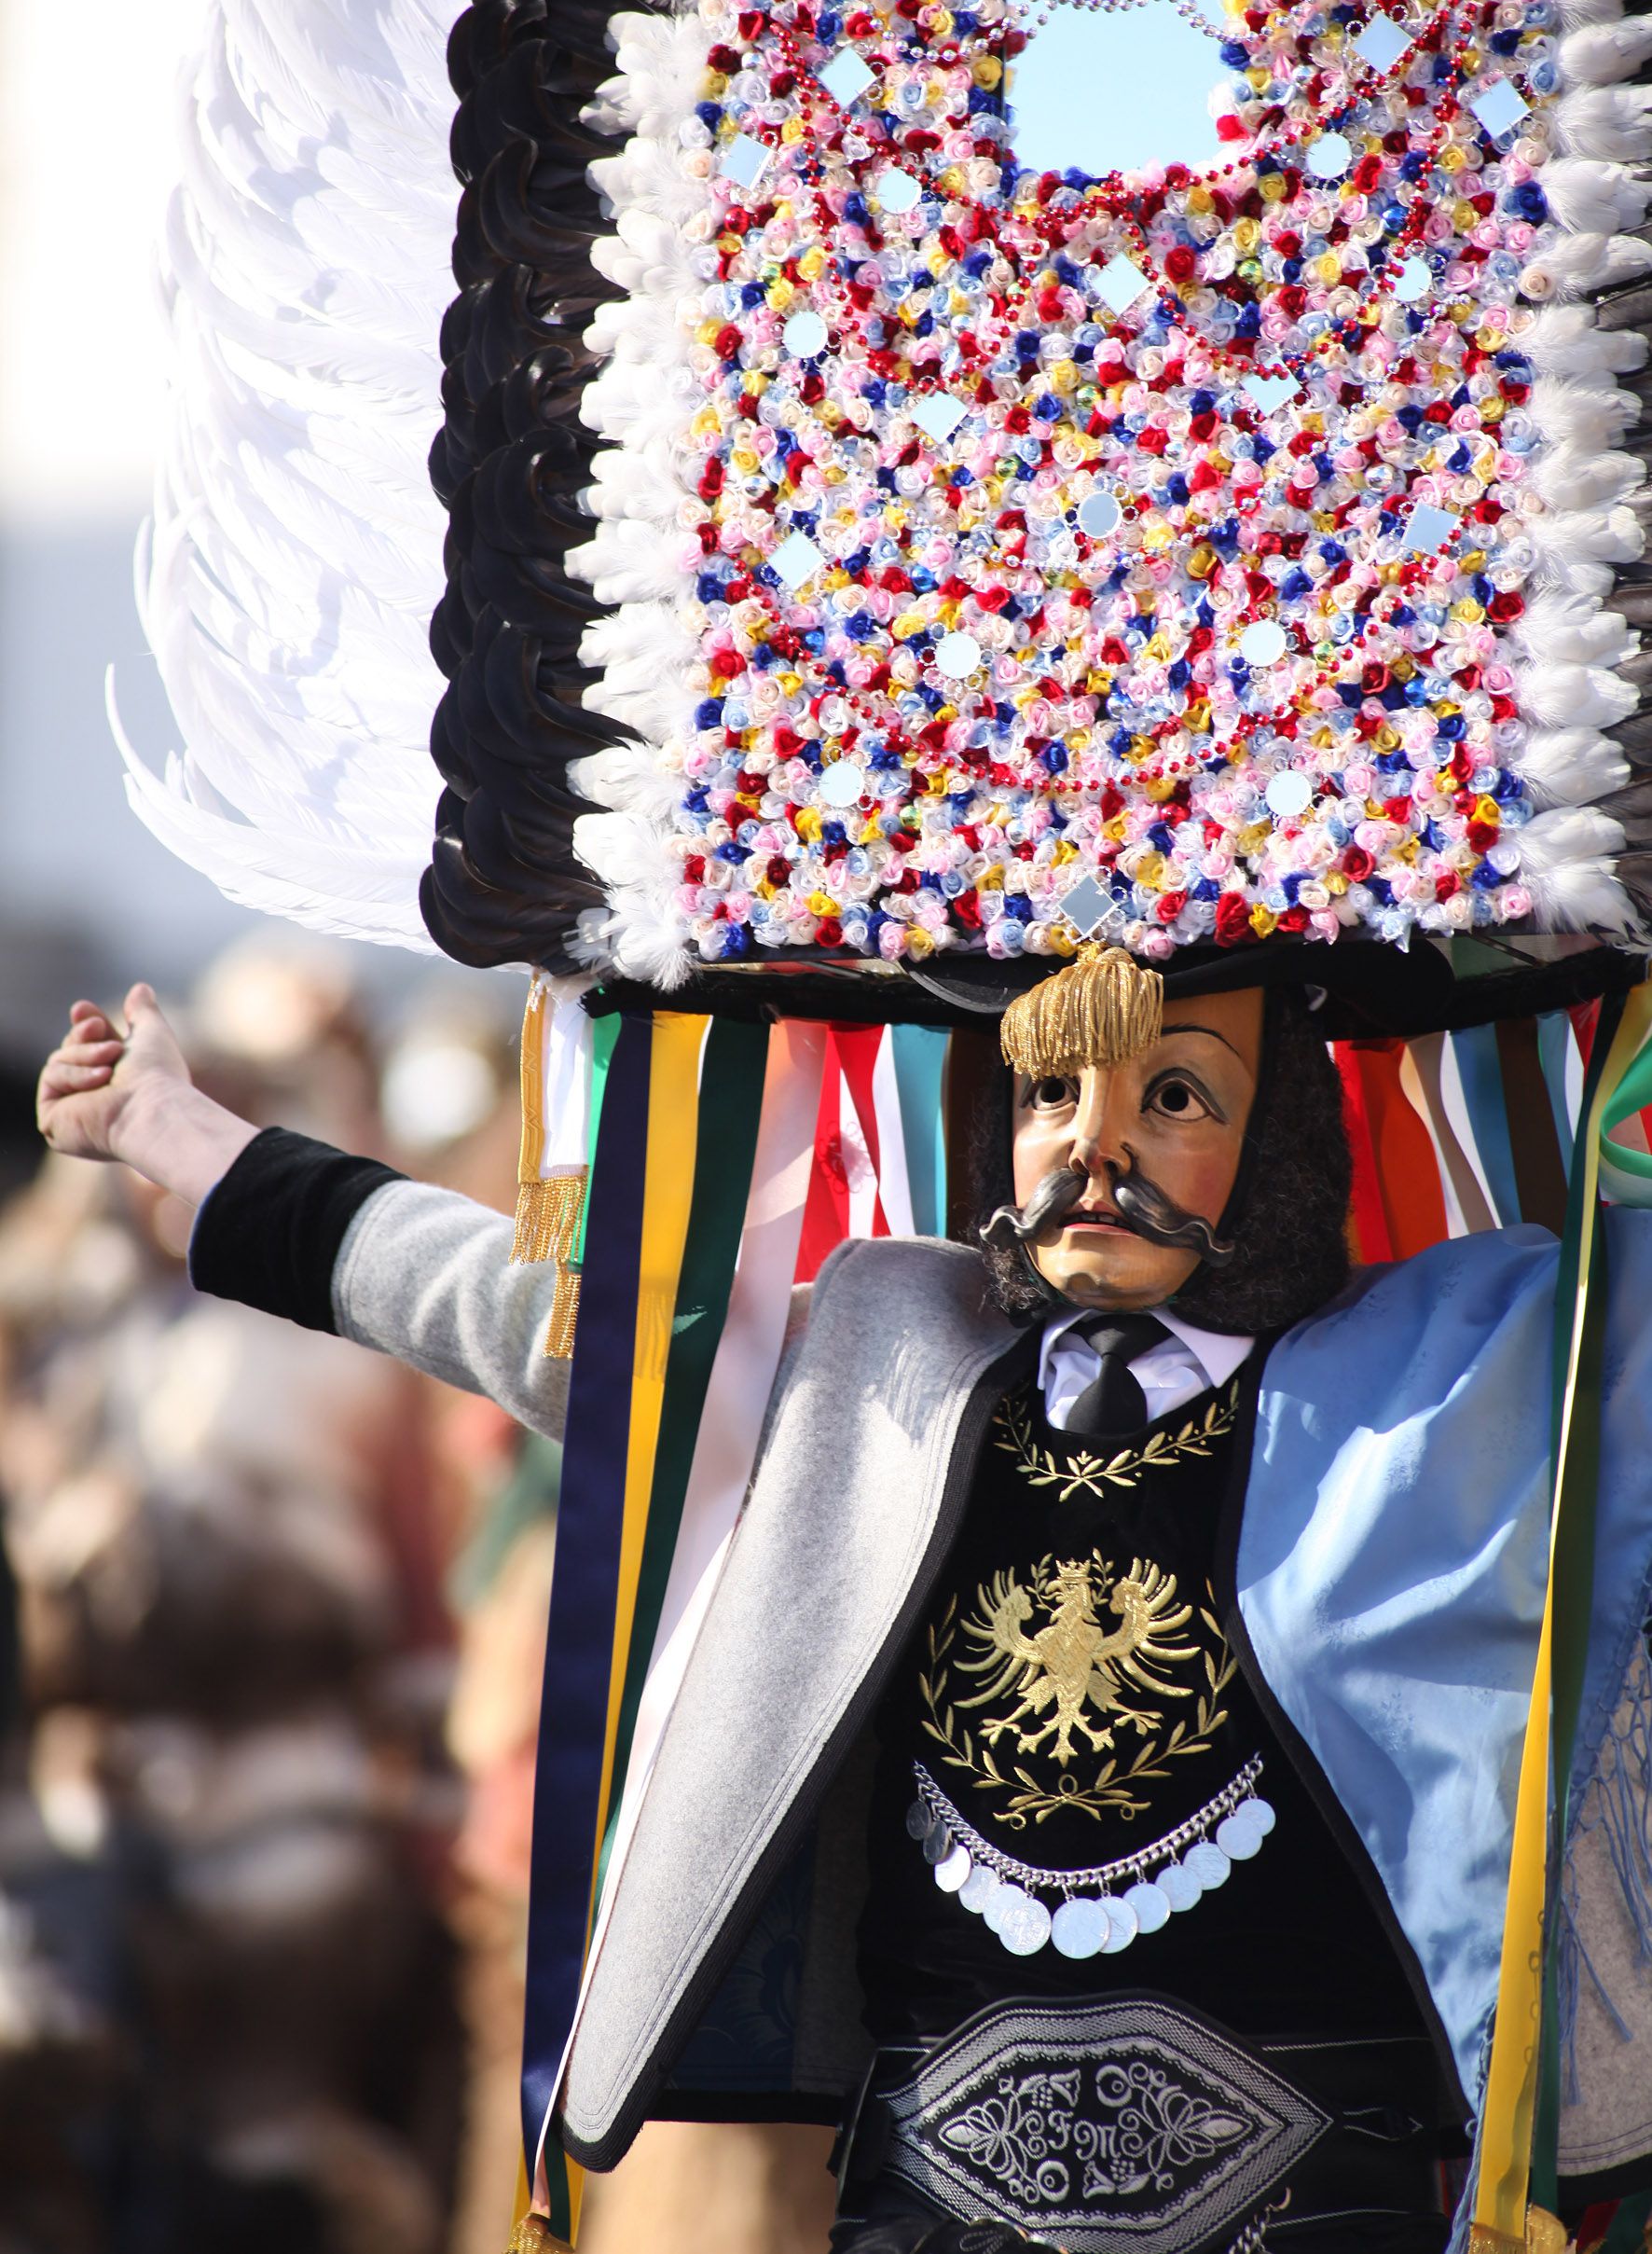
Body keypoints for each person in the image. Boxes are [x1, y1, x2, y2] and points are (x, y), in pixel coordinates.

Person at [34, 955, 1652, 2253]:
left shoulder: (1466, 1366)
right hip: (926, 2200)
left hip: (1327, 2202)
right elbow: (535, 1327)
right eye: (1046, 1094)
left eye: (1173, 1097)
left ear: (1284, 1129)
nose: (1093, 1150)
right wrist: (192, 1145)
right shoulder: (888, 1354)